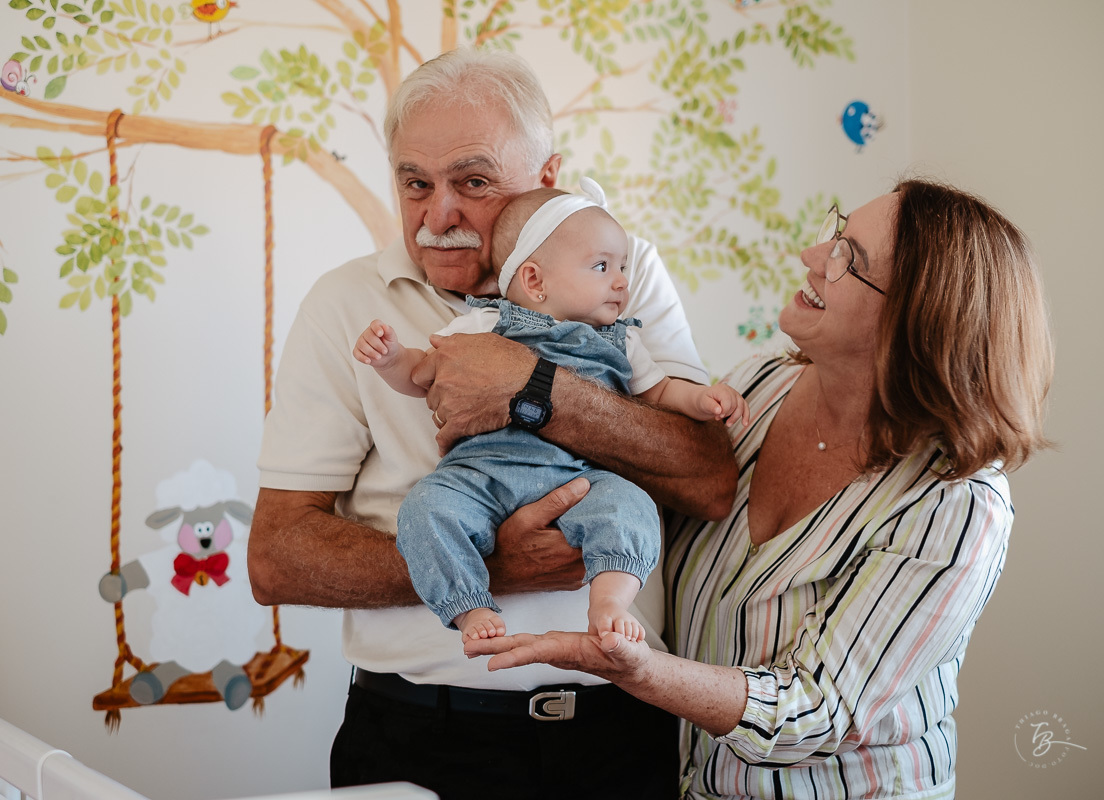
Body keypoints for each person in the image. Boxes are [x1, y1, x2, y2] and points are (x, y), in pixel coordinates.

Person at [248, 47, 738, 800]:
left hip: (620, 732)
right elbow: (277, 558)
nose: (438, 215)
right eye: (416, 183)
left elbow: (708, 479)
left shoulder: (618, 268)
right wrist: (496, 568)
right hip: (422, 735)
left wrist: (533, 387)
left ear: (547, 179)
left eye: (473, 182)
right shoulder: (346, 304)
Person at [465, 179, 1055, 800]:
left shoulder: (956, 504)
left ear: (916, 320)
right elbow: (649, 494)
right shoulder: (760, 385)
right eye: (835, 232)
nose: (811, 255)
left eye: (848, 257)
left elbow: (817, 710)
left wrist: (640, 669)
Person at [354, 183, 748, 645]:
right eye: (602, 267)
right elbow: (422, 372)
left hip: (579, 479)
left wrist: (701, 400)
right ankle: (467, 603)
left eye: (622, 267)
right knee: (425, 508)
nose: (622, 282)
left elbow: (660, 392)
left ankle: (609, 600)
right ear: (535, 281)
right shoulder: (487, 323)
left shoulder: (622, 340)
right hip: (481, 476)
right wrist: (391, 359)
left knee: (630, 506)